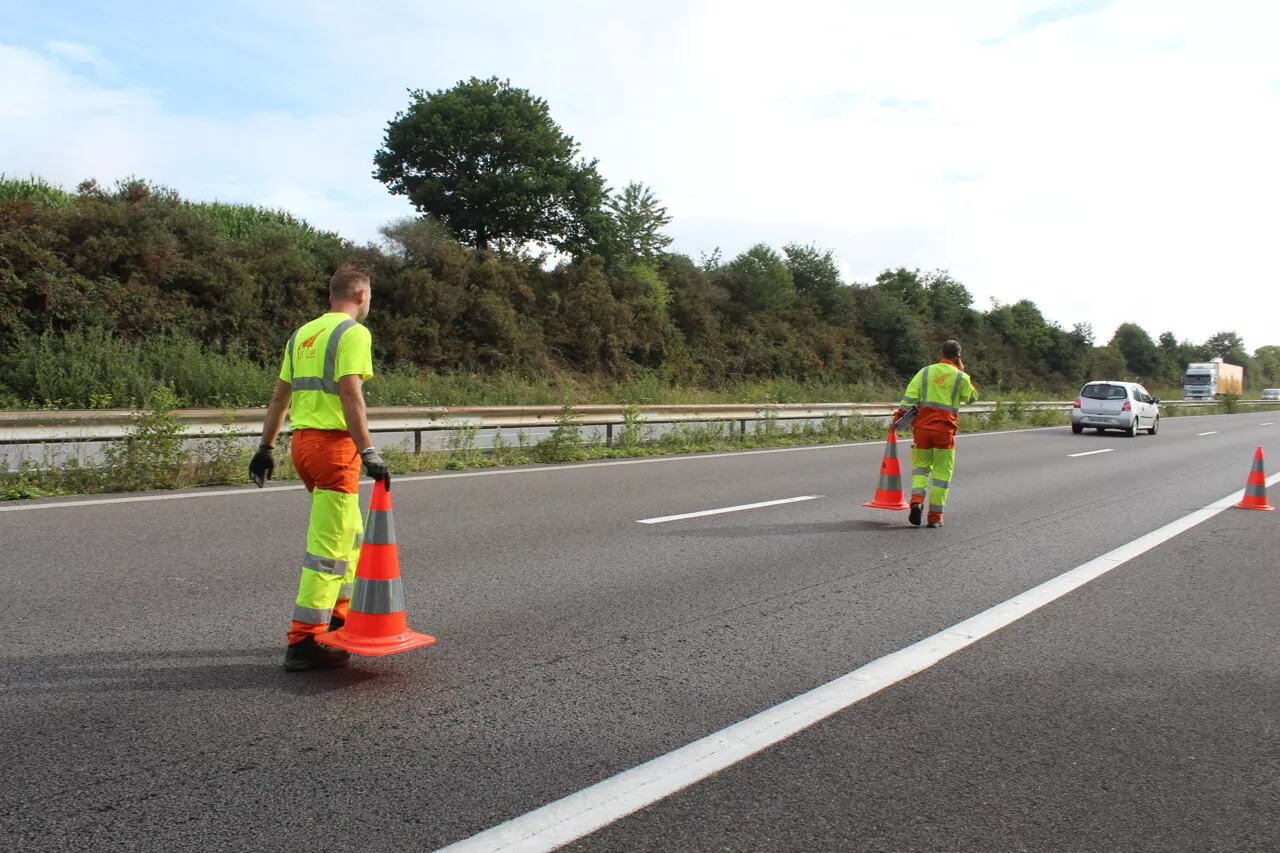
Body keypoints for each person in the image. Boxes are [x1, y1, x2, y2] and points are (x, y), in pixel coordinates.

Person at [248, 265, 391, 672]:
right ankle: (305, 641)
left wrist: (265, 447)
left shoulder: (303, 335)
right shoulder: (353, 333)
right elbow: (350, 391)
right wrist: (368, 451)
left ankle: (339, 620)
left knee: (348, 537)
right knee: (329, 551)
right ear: (362, 296)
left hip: (303, 446)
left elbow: (279, 399)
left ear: (332, 296)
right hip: (334, 449)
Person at [893, 340, 977, 529]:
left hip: (921, 430)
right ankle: (935, 517)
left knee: (921, 468)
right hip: (945, 432)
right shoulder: (960, 377)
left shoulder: (925, 372)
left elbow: (908, 399)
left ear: (941, 353)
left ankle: (916, 501)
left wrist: (897, 420)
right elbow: (971, 398)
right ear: (958, 356)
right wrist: (964, 372)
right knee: (941, 475)